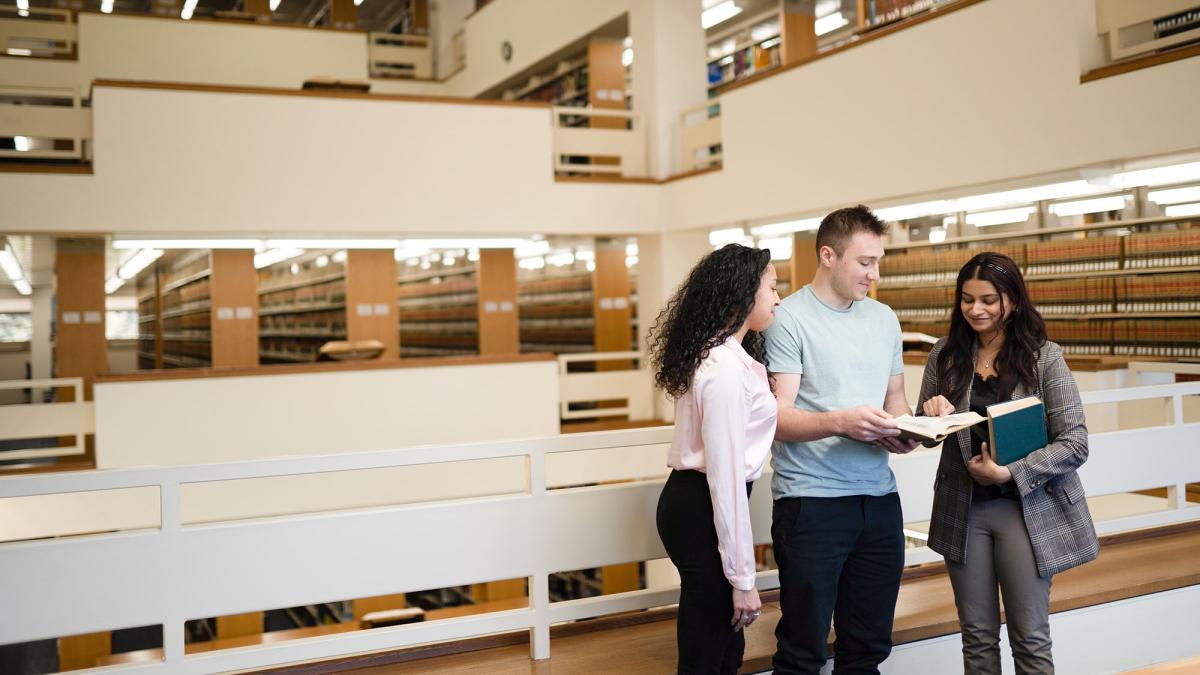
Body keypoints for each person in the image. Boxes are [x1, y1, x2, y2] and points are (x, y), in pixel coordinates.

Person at [917, 251, 1098, 674]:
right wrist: (928, 415)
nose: (975, 309)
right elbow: (920, 435)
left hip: (1023, 509)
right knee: (976, 638)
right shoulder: (945, 355)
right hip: (962, 510)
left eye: (987, 300)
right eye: (966, 299)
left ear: (1012, 302)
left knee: (1030, 638)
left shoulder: (1043, 358)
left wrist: (1009, 473)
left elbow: (1076, 442)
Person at [765, 205, 920, 674]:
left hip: (878, 501)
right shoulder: (786, 318)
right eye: (865, 262)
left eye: (879, 261)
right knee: (802, 651)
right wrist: (842, 422)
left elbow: (896, 401)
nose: (874, 274)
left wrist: (909, 430)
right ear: (828, 255)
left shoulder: (884, 320)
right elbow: (776, 418)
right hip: (811, 503)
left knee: (868, 649)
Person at [650, 243, 781, 674]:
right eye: (772, 288)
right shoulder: (722, 368)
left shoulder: (729, 356)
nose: (778, 298)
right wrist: (744, 581)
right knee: (708, 651)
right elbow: (724, 479)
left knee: (725, 650)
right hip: (702, 504)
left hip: (698, 502)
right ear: (744, 295)